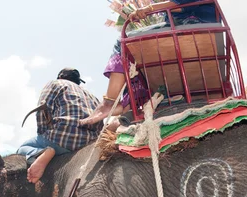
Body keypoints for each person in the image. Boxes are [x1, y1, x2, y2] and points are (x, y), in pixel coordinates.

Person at [80, 0, 218, 126]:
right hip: (199, 24)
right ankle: (127, 107)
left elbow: (179, 3)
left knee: (124, 43)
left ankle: (110, 101)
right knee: (139, 59)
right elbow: (181, 7)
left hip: (189, 24)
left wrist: (148, 8)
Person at [16, 68, 103, 184]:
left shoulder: (55, 84)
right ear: (78, 81)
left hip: (62, 139)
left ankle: (41, 153)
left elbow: (42, 110)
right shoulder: (92, 96)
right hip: (90, 142)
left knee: (22, 147)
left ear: (60, 76)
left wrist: (44, 135)